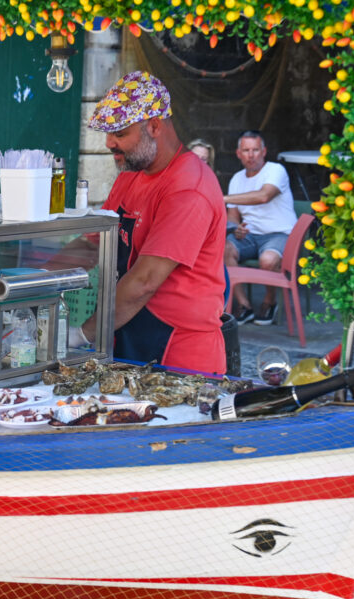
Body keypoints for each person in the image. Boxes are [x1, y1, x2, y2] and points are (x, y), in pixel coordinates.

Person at [82, 71, 227, 375]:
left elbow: (145, 281)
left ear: (154, 126)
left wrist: (81, 334)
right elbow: (89, 245)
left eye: (119, 133)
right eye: (107, 133)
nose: (109, 143)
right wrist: (35, 278)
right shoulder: (131, 175)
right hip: (127, 333)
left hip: (178, 353)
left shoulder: (189, 187)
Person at [222, 131, 298, 325]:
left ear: (264, 152)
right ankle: (244, 306)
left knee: (268, 260)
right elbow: (232, 216)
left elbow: (263, 196)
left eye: (255, 150)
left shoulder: (275, 170)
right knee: (223, 249)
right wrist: (234, 228)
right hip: (249, 236)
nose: (251, 155)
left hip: (278, 234)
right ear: (238, 153)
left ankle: (269, 302)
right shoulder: (237, 179)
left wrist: (223, 198)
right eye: (246, 150)